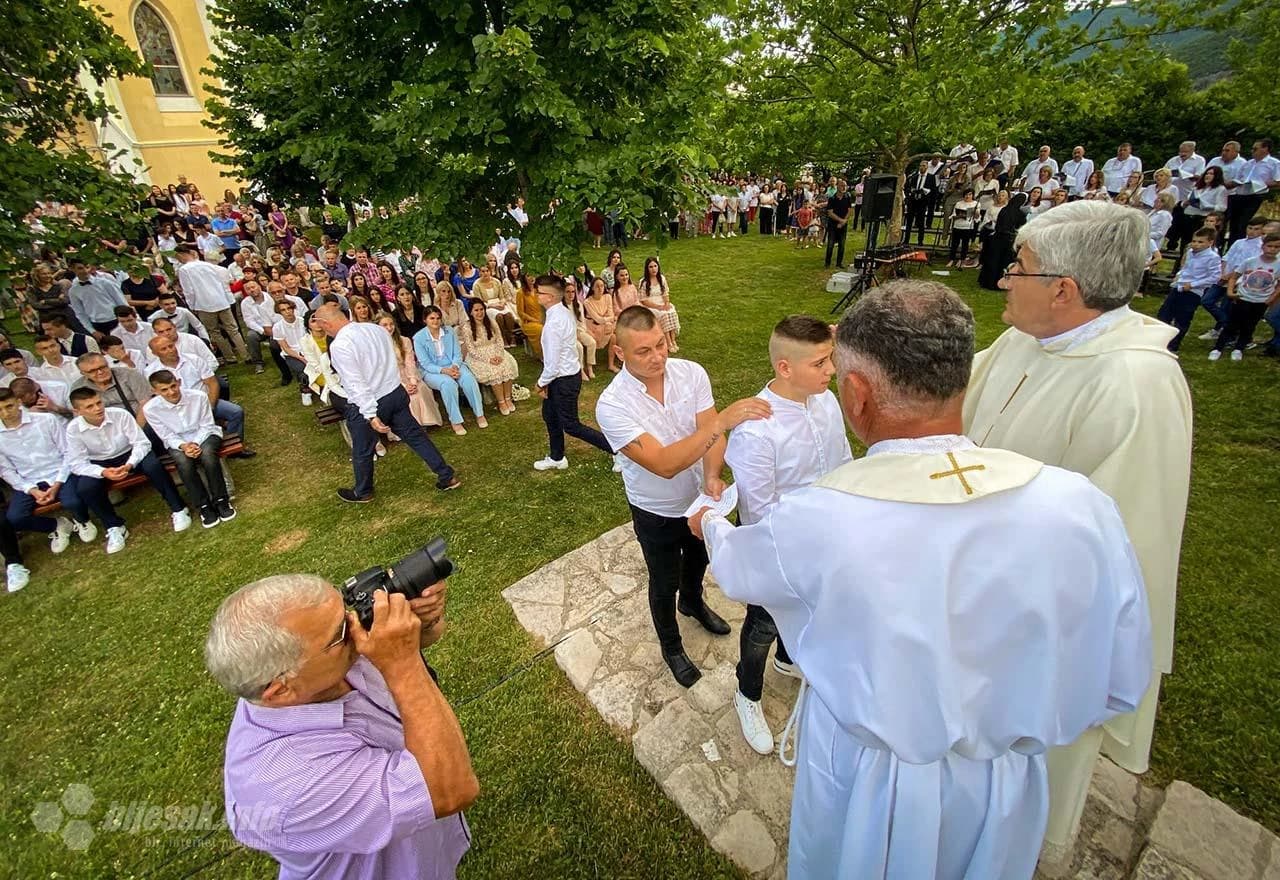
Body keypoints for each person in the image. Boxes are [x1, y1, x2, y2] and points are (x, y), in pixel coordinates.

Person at [692, 279, 1152, 880]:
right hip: (1001, 788)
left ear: (856, 395)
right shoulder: (1082, 507)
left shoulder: (821, 522)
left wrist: (709, 521)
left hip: (869, 784)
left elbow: (741, 566)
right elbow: (1120, 682)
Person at [962, 200, 1191, 856]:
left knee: (1024, 762)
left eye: (1019, 267)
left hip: (1038, 626)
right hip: (973, 586)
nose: (1004, 278)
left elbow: (1110, 548)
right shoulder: (1026, 337)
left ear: (1063, 290)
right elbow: (957, 392)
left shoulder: (1134, 386)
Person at [206, 573, 476, 879]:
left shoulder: (308, 672)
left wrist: (421, 624)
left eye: (346, 611)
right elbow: (449, 790)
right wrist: (403, 663)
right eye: (340, 634)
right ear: (281, 690)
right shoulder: (291, 784)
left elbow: (416, 639)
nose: (356, 624)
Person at [596, 306, 771, 686]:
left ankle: (691, 602)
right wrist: (721, 423)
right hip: (654, 507)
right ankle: (671, 645)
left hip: (699, 500)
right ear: (620, 351)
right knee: (663, 581)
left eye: (660, 344)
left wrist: (712, 475)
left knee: (698, 558)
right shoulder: (612, 405)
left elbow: (709, 436)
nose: (658, 356)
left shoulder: (691, 373)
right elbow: (664, 464)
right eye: (644, 351)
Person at [720, 315, 852, 755]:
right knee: (762, 623)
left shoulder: (826, 401)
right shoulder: (757, 429)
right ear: (784, 367)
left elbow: (842, 460)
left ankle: (787, 657)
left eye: (829, 359)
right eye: (820, 363)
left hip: (824, 539)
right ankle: (747, 692)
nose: (831, 370)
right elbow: (759, 511)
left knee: (810, 612)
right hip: (779, 547)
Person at [314, 304, 459, 501]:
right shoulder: (375, 329)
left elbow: (355, 382)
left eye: (321, 326)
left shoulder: (340, 345)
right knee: (416, 436)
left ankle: (363, 491)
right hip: (395, 393)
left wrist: (370, 414)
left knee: (362, 449)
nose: (323, 330)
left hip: (373, 400)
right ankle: (446, 476)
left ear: (326, 323)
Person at [65, 387, 193, 544]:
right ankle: (114, 526)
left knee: (153, 466)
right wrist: (103, 472)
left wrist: (130, 464)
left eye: (98, 403)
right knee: (86, 488)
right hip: (100, 462)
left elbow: (142, 443)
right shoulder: (73, 429)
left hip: (129, 452)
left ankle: (178, 508)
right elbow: (77, 463)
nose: (97, 408)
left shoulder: (120, 415)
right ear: (77, 411)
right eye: (89, 407)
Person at [0, 388, 97, 555]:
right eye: (0, 410)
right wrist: (31, 490)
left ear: (18, 402)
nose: (5, 413)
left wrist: (58, 483)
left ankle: (82, 520)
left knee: (72, 501)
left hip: (59, 471)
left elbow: (67, 451)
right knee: (15, 518)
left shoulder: (46, 420)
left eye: (9, 406)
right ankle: (57, 526)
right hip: (28, 479)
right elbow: (5, 470)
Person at [532, 275, 612, 471]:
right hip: (564, 376)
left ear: (550, 297)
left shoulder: (553, 324)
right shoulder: (563, 312)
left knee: (571, 425)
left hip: (563, 380)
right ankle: (557, 457)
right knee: (550, 416)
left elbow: (552, 364)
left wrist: (541, 383)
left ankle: (617, 451)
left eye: (539, 292)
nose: (536, 295)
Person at [142, 371, 236, 528]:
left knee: (208, 455)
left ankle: (221, 500)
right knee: (183, 462)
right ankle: (203, 505)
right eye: (164, 390)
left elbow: (207, 425)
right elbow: (166, 435)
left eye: (173, 386)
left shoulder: (198, 396)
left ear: (179, 382)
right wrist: (184, 446)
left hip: (206, 435)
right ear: (155, 391)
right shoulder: (150, 409)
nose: (171, 392)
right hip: (177, 443)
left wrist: (195, 443)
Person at [146, 335, 251, 452]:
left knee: (236, 411)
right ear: (155, 353)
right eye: (164, 349)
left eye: (171, 346)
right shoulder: (150, 371)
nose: (170, 350)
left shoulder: (194, 360)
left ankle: (234, 447)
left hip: (203, 401)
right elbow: (158, 396)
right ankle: (191, 448)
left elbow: (212, 383)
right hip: (176, 410)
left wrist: (210, 406)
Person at [412, 307, 485, 435]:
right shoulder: (418, 338)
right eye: (432, 318)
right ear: (425, 320)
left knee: (468, 379)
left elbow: (457, 353)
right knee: (448, 384)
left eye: (438, 318)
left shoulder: (449, 331)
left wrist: (455, 366)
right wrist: (444, 371)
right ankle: (456, 421)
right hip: (433, 371)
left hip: (453, 365)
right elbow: (425, 364)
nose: (435, 321)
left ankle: (479, 414)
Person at [1209, 232, 1280, 361]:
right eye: (1270, 246)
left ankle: (1239, 348)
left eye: (1276, 247)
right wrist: (1230, 292)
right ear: (1263, 246)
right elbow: (1234, 277)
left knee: (1249, 326)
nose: (1272, 249)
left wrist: (1272, 298)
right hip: (1243, 297)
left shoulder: (1278, 265)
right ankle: (1218, 348)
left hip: (1261, 301)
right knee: (1232, 324)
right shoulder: (1250, 262)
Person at [174, 245, 249, 364]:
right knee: (233, 330)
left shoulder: (184, 270)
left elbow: (189, 291)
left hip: (203, 304)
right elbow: (220, 284)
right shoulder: (208, 265)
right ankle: (245, 355)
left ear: (181, 255)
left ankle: (230, 357)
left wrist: (192, 306)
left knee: (214, 332)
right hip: (221, 301)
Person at [1158, 226, 1222, 352]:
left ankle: (1173, 346)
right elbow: (1185, 268)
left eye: (1200, 242)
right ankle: (1161, 340)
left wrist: (1193, 284)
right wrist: (1178, 276)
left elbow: (1214, 277)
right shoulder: (1190, 253)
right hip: (1179, 286)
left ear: (1210, 242)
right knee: (1164, 314)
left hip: (1193, 292)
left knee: (1182, 319)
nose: (1196, 244)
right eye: (1194, 241)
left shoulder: (1212, 257)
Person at [375, 314, 443, 428]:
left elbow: (410, 362)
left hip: (408, 374)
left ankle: (425, 421)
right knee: (405, 396)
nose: (389, 328)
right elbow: (382, 370)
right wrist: (403, 385)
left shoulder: (404, 340)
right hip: (390, 380)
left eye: (391, 324)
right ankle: (411, 426)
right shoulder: (375, 346)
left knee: (420, 390)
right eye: (385, 325)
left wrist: (412, 382)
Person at [459, 301, 518, 415]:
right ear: (471, 312)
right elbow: (471, 350)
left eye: (481, 309)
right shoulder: (467, 328)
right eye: (476, 310)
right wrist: (488, 359)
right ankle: (501, 402)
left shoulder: (491, 322)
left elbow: (499, 339)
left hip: (495, 351)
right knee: (494, 371)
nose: (479, 313)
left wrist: (499, 354)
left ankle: (508, 398)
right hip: (478, 356)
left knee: (507, 365)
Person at [1226, 139, 1280, 245]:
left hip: (1256, 195)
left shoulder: (1274, 163)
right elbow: (1238, 178)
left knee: (1245, 224)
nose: (1252, 151)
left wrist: (1260, 184)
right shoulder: (1248, 163)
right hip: (1240, 194)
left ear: (1265, 149)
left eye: (1255, 149)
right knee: (1234, 225)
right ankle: (1233, 246)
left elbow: (1278, 181)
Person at [977, 191, 1029, 290]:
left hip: (997, 238)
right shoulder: (1020, 213)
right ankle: (999, 283)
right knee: (1003, 262)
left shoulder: (1004, 210)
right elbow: (1020, 225)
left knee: (993, 259)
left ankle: (987, 281)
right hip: (1008, 240)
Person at [66, 258, 127, 336]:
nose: (85, 271)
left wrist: (125, 321)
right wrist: (92, 331)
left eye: (87, 267)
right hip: (97, 325)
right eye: (80, 268)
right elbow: (80, 313)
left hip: (116, 321)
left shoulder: (106, 283)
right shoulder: (73, 291)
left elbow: (122, 303)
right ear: (72, 269)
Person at [272, 300, 311, 404]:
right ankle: (305, 391)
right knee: (302, 369)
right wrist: (301, 358)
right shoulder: (277, 327)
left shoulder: (303, 321)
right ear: (280, 312)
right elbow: (286, 348)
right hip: (291, 354)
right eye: (283, 310)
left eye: (289, 308)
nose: (287, 312)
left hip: (308, 350)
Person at [638, 257, 679, 354]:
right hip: (651, 305)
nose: (653, 269)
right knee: (663, 315)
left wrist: (667, 303)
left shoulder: (662, 278)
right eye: (651, 267)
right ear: (647, 268)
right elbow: (644, 300)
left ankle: (673, 340)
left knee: (671, 312)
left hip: (662, 302)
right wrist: (658, 307)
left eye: (655, 266)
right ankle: (668, 342)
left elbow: (665, 293)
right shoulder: (643, 282)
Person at [583, 277, 619, 372]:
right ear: (592, 288)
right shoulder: (587, 302)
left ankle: (611, 364)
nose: (600, 288)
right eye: (597, 286)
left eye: (602, 286)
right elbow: (597, 319)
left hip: (605, 325)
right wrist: (607, 319)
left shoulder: (607, 297)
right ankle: (589, 365)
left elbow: (611, 314)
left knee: (614, 337)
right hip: (592, 327)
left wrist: (608, 322)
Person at [947, 189, 980, 268]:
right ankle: (951, 259)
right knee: (954, 244)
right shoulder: (959, 203)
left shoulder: (976, 204)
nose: (967, 196)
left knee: (965, 245)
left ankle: (962, 260)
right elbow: (954, 215)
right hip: (957, 225)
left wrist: (976, 213)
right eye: (966, 194)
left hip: (967, 227)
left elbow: (977, 218)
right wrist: (959, 216)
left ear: (972, 195)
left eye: (970, 194)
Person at [823, 179, 853, 269]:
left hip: (843, 224)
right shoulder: (832, 198)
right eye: (842, 186)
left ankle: (839, 263)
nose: (844, 187)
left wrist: (844, 221)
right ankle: (827, 263)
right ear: (838, 186)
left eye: (845, 186)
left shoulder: (847, 197)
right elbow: (830, 213)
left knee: (842, 244)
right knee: (830, 244)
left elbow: (849, 210)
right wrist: (840, 220)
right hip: (832, 224)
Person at [515, 274, 544, 358]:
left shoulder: (539, 290)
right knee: (541, 330)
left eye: (533, 275)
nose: (532, 277)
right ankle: (542, 354)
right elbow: (520, 312)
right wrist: (535, 320)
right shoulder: (521, 293)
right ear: (524, 278)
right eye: (528, 276)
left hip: (542, 318)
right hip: (529, 322)